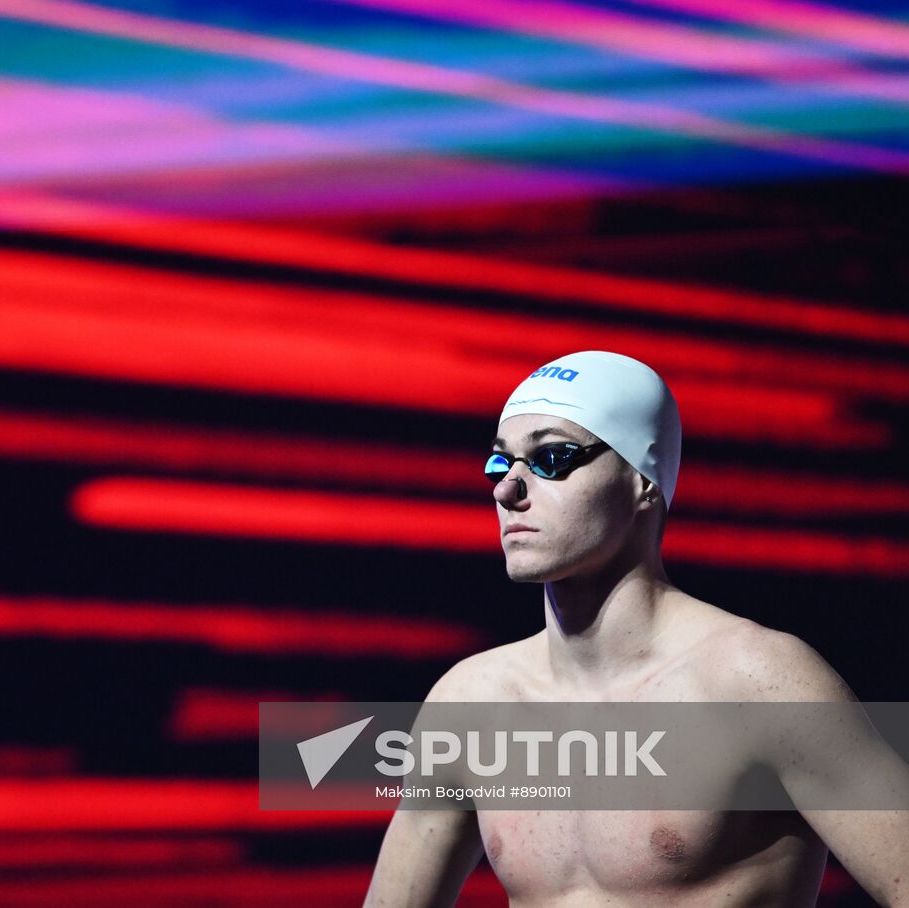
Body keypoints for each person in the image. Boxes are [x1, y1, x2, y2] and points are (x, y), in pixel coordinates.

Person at [363, 351, 908, 907]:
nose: (507, 490)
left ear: (644, 481)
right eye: (501, 464)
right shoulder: (471, 700)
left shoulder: (756, 682)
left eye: (551, 458)